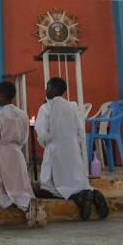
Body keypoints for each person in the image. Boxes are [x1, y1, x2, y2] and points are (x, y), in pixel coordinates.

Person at [35, 77, 108, 221]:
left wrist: (47, 144)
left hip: (55, 151)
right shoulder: (72, 106)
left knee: (47, 186)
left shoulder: (45, 108)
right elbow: (81, 131)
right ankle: (92, 193)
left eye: (48, 87)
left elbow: (42, 133)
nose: (45, 90)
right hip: (73, 151)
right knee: (77, 180)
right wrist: (75, 146)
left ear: (55, 90)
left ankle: (79, 197)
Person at [0, 81, 37, 223]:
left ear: (1, 96)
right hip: (16, 154)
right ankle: (27, 206)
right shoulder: (22, 114)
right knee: (19, 185)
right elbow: (24, 138)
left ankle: (8, 202)